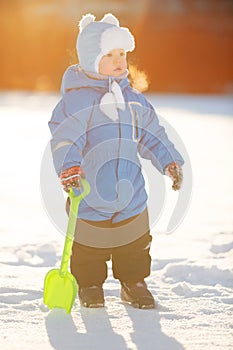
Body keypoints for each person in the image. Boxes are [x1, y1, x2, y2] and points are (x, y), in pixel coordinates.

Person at [49, 13, 184, 309]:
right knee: (88, 248)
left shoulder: (133, 98)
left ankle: (133, 283)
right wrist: (69, 168)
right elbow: (64, 137)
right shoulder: (77, 100)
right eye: (109, 54)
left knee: (134, 244)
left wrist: (169, 161)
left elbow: (152, 133)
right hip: (90, 192)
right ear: (90, 59)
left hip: (130, 191)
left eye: (122, 53)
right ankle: (90, 285)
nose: (119, 60)